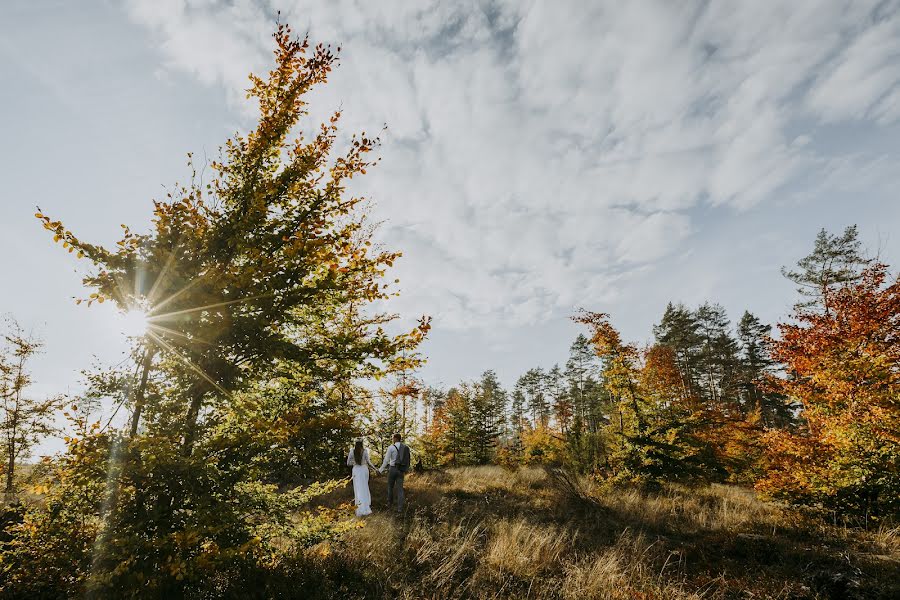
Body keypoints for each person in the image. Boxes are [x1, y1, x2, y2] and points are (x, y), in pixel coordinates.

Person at [378, 433, 410, 513]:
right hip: (401, 470)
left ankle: (389, 505)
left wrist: (380, 470)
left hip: (392, 469)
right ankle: (400, 508)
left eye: (393, 438)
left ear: (395, 438)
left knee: (390, 487)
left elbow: (386, 460)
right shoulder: (405, 447)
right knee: (400, 490)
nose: (392, 439)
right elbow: (408, 459)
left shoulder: (391, 447)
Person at [346, 438, 377, 517]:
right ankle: (365, 506)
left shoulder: (352, 451)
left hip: (356, 470)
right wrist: (375, 469)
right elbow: (369, 462)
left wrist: (355, 462)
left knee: (358, 489)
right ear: (362, 443)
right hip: (364, 469)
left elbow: (348, 463)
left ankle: (359, 508)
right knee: (364, 488)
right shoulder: (365, 451)